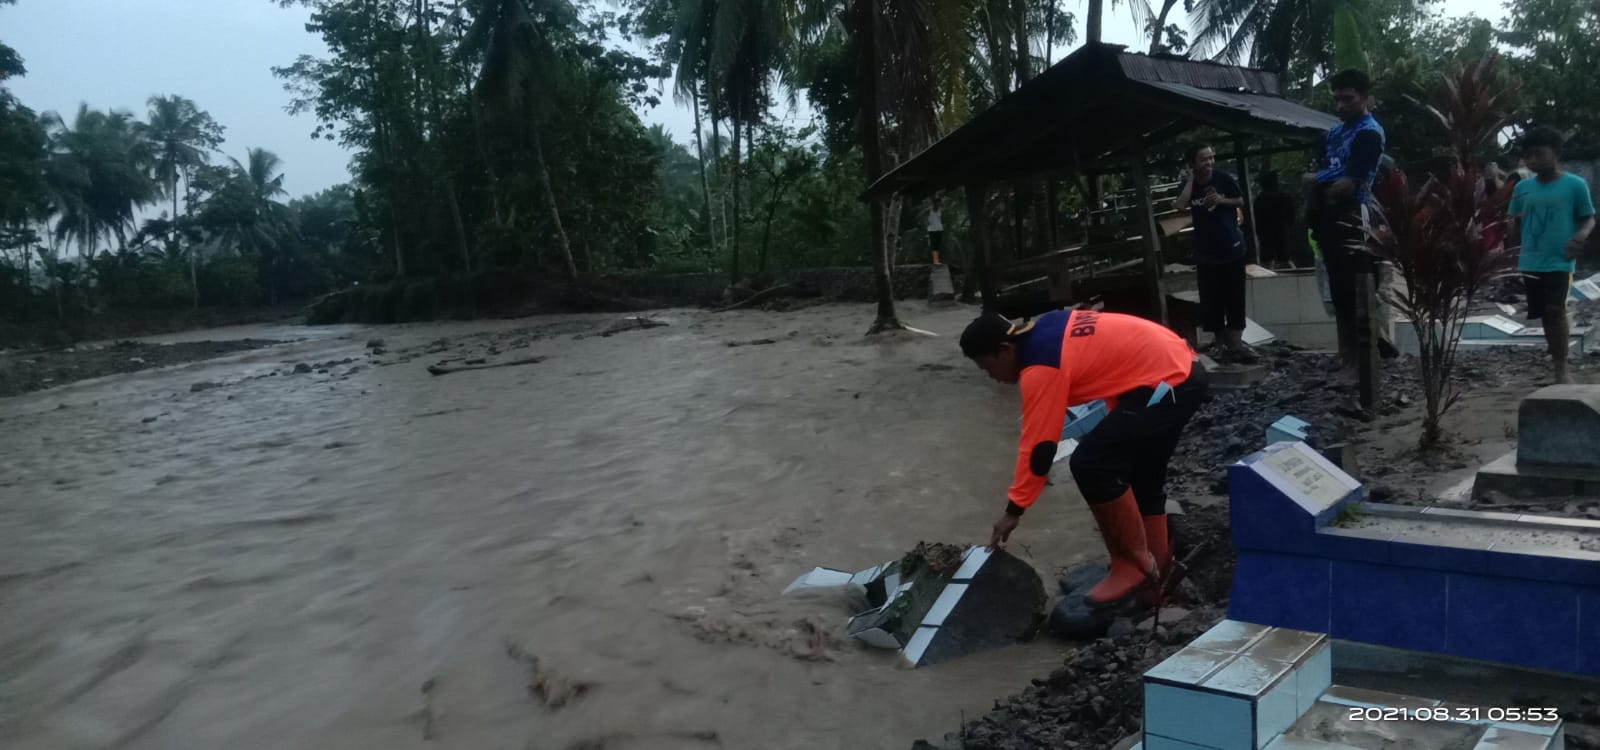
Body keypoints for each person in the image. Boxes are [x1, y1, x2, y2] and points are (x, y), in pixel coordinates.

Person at [961, 309, 1209, 611]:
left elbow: (1039, 448)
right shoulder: (1048, 326)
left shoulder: (1040, 367)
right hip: (1180, 373)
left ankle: (1131, 564)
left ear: (1005, 350)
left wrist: (1015, 509)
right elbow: (1113, 363)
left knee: (1091, 464)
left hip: (1166, 386)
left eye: (987, 368)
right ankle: (1156, 584)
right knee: (1143, 475)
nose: (993, 378)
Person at [1308, 69, 1386, 376]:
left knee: (1359, 287)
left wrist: (1317, 180)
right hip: (1328, 219)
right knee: (1338, 290)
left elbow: (1350, 183)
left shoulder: (1370, 132)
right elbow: (1326, 176)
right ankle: (1346, 357)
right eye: (1337, 99)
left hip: (1356, 215)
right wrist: (1323, 182)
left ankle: (1365, 359)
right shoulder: (1331, 134)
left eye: (1348, 99)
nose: (1341, 106)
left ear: (1366, 99)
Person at [1508, 126, 1596, 384]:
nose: (1533, 161)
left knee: (1556, 309)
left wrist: (1580, 237)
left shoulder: (1574, 185)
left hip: (1560, 260)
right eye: (1529, 156)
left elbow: (1588, 218)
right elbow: (1513, 223)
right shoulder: (1522, 188)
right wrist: (1509, 254)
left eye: (1539, 154)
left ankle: (1562, 369)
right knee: (1545, 314)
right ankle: (1556, 359)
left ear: (1556, 152)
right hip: (1530, 261)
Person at [1176, 143, 1256, 362]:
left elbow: (1240, 200)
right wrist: (1191, 179)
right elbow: (1180, 206)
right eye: (1203, 159)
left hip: (1231, 248)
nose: (1209, 163)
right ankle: (1221, 345)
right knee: (1212, 300)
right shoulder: (1190, 186)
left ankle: (1236, 344)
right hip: (1206, 253)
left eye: (1211, 158)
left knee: (1235, 298)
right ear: (1193, 164)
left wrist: (1221, 200)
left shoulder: (1223, 179)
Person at [1254, 171, 1297, 269]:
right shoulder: (1285, 197)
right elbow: (1291, 216)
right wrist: (1288, 227)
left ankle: (1268, 280)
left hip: (1266, 233)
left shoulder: (1260, 199)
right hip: (1282, 230)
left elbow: (1257, 219)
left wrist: (1259, 232)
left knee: (1267, 260)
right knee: (1285, 258)